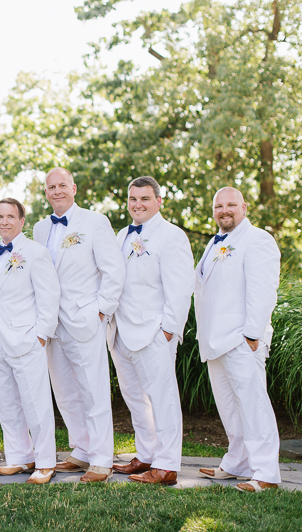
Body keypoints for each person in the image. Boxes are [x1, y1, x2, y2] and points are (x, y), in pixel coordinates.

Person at [32, 167, 125, 483]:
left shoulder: (95, 222)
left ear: (74, 188)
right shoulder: (40, 228)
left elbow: (114, 271)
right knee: (65, 390)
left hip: (85, 319)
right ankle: (82, 449)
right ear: (46, 192)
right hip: (52, 322)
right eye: (50, 186)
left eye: (61, 185)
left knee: (93, 389)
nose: (56, 191)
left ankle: (102, 459)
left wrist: (100, 311)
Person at [107, 177, 194, 485]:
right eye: (133, 198)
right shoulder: (120, 235)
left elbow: (181, 287)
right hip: (121, 332)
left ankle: (167, 464)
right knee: (134, 399)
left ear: (159, 201)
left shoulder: (172, 236)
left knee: (163, 398)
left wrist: (168, 331)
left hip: (154, 333)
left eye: (144, 198)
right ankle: (146, 455)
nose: (138, 204)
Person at [194, 187, 281, 493]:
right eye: (219, 205)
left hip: (242, 340)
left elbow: (263, 291)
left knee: (254, 406)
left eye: (231, 204)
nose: (225, 210)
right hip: (215, 341)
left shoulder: (257, 240)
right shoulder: (216, 242)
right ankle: (237, 462)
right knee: (230, 408)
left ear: (244, 206)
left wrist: (252, 335)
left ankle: (267, 473)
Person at [0, 198, 59, 485]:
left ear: (21, 221)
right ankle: (19, 456)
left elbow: (49, 296)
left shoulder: (36, 253)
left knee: (36, 403)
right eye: (0, 216)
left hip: (26, 338)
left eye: (10, 216)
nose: (4, 221)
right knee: (6, 403)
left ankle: (45, 462)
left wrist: (40, 335)